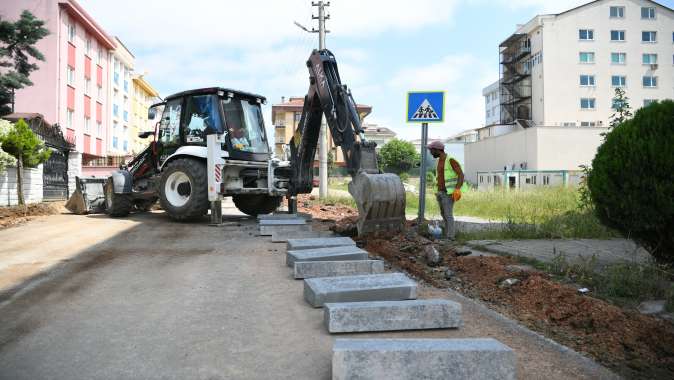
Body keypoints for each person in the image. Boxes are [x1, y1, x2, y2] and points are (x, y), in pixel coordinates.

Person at [427, 140, 464, 240]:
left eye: (431, 150)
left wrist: (457, 189)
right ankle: (447, 235)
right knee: (444, 215)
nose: (430, 153)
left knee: (448, 215)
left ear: (437, 150)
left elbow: (461, 174)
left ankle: (450, 237)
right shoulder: (438, 161)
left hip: (448, 193)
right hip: (440, 192)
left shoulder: (450, 160)